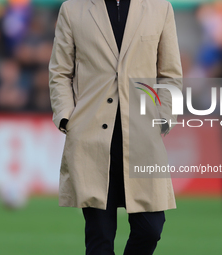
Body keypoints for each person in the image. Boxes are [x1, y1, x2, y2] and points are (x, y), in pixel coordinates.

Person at [48, 0, 182, 254]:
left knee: (150, 229)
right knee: (100, 236)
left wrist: (165, 116)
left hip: (143, 135)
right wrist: (67, 117)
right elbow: (60, 72)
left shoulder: (160, 7)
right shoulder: (72, 8)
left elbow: (169, 74)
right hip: (91, 137)